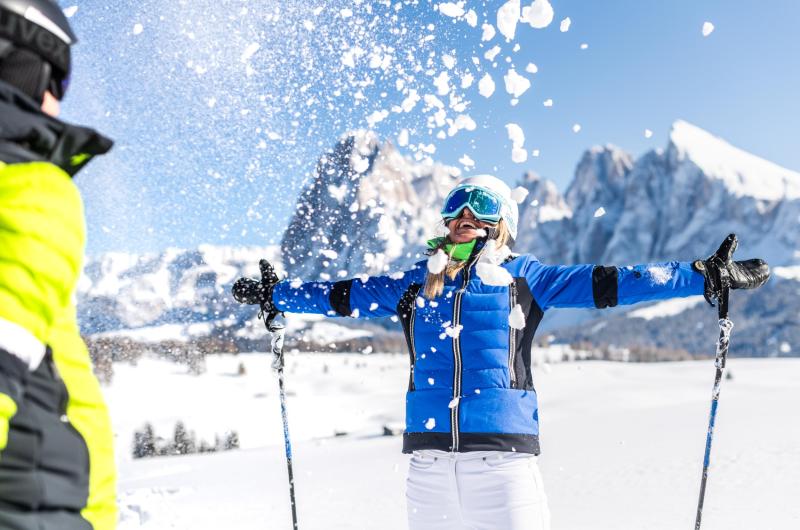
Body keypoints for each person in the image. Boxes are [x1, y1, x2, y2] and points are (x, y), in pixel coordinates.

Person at [233, 174, 770, 529]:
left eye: (479, 208)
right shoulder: (417, 285)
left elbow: (613, 282)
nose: (462, 217)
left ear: (501, 225)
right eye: (454, 210)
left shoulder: (525, 279)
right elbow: (343, 296)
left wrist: (700, 276)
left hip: (502, 464)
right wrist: (275, 295)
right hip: (428, 464)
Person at [0, 1, 117, 528]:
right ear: (27, 66)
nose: (56, 104)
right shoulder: (27, 183)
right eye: (59, 84)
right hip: (34, 505)